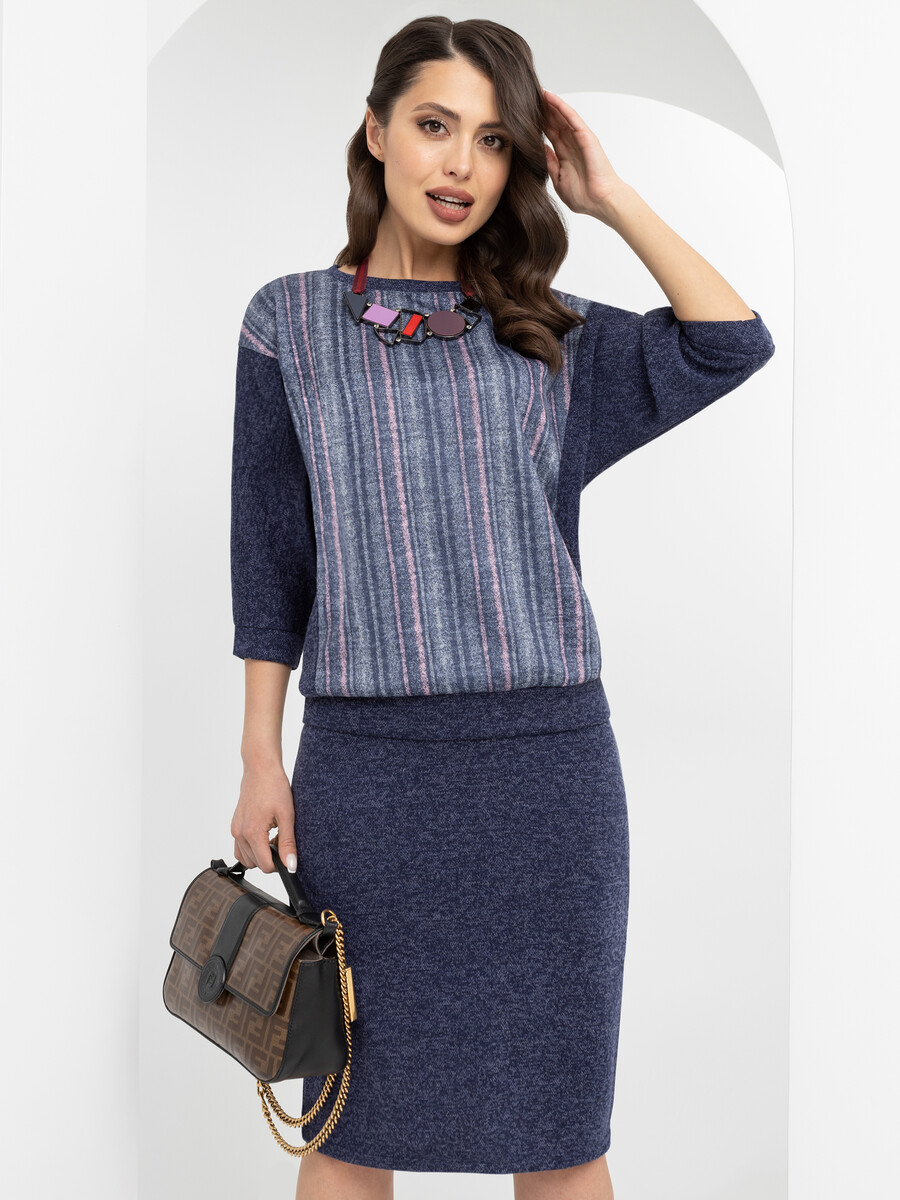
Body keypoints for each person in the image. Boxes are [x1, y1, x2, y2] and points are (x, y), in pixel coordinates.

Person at [228, 15, 775, 1200]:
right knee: (347, 1125)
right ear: (376, 132)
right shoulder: (289, 325)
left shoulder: (545, 334)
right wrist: (261, 758)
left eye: (493, 140)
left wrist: (609, 196)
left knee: (560, 1135)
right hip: (365, 779)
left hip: (545, 780)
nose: (462, 164)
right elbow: (271, 560)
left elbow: (731, 342)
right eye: (435, 126)